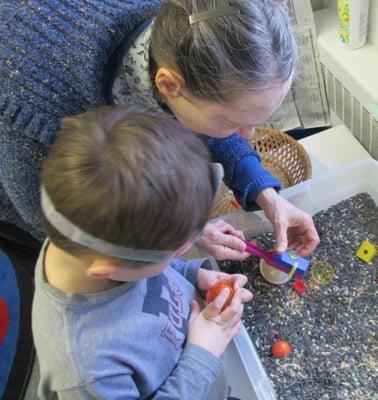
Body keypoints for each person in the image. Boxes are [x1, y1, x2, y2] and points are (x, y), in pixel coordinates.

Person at [0, 0, 320, 274]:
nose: (247, 136)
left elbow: (197, 114)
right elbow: (65, 233)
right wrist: (176, 240)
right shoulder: (32, 113)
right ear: (167, 86)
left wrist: (266, 194)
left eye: (255, 121)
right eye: (232, 121)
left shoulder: (185, 36)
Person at [32, 105, 253, 399]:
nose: (177, 257)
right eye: (174, 254)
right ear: (106, 268)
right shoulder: (86, 372)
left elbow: (149, 271)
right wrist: (203, 352)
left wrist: (194, 274)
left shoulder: (82, 240)